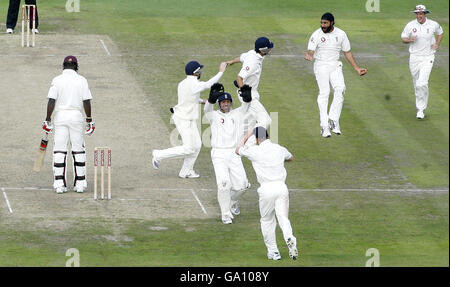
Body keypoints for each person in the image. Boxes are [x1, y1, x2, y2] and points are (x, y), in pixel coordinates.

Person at [152, 61, 228, 178]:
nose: (200, 72)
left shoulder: (183, 83)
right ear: (195, 73)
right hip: (183, 119)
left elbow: (190, 97)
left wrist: (203, 101)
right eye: (199, 71)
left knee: (196, 146)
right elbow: (209, 84)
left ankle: (186, 171)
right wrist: (221, 71)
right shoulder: (194, 84)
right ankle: (158, 154)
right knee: (189, 148)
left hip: (189, 118)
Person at [236, 127, 298, 261]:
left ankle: (274, 252)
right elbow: (291, 158)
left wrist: (247, 135)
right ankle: (289, 237)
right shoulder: (279, 148)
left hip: (266, 189)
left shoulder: (254, 151)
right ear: (268, 136)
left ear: (257, 139)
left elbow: (238, 149)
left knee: (267, 220)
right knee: (283, 218)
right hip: (281, 187)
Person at [303, 12, 367, 138]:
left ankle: (333, 119)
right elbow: (311, 50)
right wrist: (310, 56)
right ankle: (324, 126)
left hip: (335, 65)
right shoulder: (316, 34)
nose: (323, 25)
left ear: (332, 23)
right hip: (321, 65)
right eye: (321, 23)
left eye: (325, 23)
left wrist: (357, 68)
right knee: (325, 93)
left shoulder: (341, 34)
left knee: (340, 89)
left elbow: (347, 52)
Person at [42, 56, 95, 194]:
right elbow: (86, 101)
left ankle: (59, 184)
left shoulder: (57, 80)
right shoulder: (82, 80)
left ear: (63, 66)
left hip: (60, 117)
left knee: (59, 150)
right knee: (78, 150)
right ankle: (80, 184)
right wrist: (89, 119)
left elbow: (51, 101)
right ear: (76, 66)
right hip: (76, 117)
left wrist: (47, 119)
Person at [204, 83, 252, 224]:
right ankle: (225, 215)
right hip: (218, 153)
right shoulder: (213, 115)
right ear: (219, 104)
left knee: (242, 186)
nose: (225, 104)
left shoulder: (237, 113)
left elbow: (246, 106)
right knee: (224, 184)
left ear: (231, 103)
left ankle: (232, 202)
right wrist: (211, 99)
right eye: (223, 102)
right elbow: (207, 108)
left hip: (234, 153)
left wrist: (248, 98)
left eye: (228, 102)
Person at [401, 4, 444, 119]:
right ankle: (419, 107)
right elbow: (403, 38)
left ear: (425, 14)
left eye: (421, 13)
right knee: (417, 84)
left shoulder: (433, 24)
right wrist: (410, 39)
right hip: (414, 57)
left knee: (422, 83)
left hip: (428, 57)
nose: (419, 15)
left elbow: (440, 33)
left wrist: (436, 44)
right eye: (417, 13)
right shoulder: (410, 25)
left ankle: (421, 109)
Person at [226, 37, 274, 130]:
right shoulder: (253, 62)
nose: (270, 49)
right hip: (248, 95)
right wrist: (245, 93)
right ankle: (250, 138)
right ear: (263, 50)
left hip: (253, 92)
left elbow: (241, 58)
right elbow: (239, 78)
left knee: (249, 122)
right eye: (269, 48)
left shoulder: (253, 53)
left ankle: (243, 139)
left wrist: (232, 61)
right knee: (266, 121)